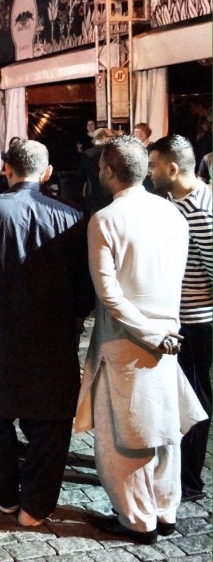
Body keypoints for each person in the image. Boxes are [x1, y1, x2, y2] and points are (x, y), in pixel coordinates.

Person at [0, 140, 93, 526]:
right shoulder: (72, 216)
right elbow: (85, 288)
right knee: (51, 421)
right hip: (52, 334)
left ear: (7, 170)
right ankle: (35, 506)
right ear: (47, 173)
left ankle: (3, 495)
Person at [75, 136, 206, 544]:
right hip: (169, 336)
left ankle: (137, 519)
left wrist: (150, 332)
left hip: (127, 341)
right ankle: (165, 510)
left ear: (108, 171)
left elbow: (109, 295)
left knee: (124, 439)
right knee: (165, 430)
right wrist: (164, 331)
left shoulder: (105, 219)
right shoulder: (172, 214)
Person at [147, 135, 212, 503]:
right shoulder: (174, 201)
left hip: (196, 322)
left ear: (172, 169)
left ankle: (189, 481)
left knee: (195, 399)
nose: (149, 172)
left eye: (153, 166)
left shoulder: (202, 210)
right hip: (177, 319)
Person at [79, 127, 116, 218]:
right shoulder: (113, 153)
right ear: (103, 137)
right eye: (111, 136)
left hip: (93, 196)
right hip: (112, 196)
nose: (114, 139)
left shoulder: (87, 154)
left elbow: (81, 175)